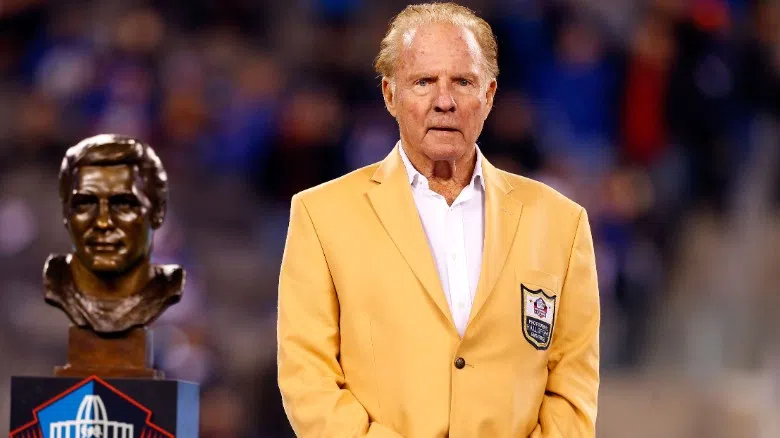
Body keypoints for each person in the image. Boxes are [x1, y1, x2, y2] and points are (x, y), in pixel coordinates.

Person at [277, 3, 600, 437]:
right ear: (390, 95)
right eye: (423, 82)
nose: (444, 102)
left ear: (489, 95)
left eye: (463, 82)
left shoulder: (562, 223)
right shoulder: (321, 216)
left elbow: (572, 391)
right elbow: (308, 381)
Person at [44, 134, 184, 333]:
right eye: (85, 204)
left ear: (158, 213)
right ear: (66, 214)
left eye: (123, 204)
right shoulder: (54, 284)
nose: (103, 222)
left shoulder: (168, 287)